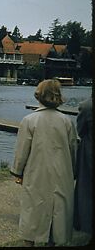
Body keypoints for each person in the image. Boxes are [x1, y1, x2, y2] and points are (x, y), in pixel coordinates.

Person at [10, 79, 77, 247]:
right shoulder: (67, 122)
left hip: (36, 173)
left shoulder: (30, 120)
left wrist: (17, 172)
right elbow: (73, 150)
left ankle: (30, 243)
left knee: (33, 211)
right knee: (58, 212)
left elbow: (22, 151)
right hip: (62, 174)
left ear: (38, 95)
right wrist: (73, 171)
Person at [74, 96, 92, 237]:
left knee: (86, 189)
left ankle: (86, 225)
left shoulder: (87, 106)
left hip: (90, 153)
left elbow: (80, 130)